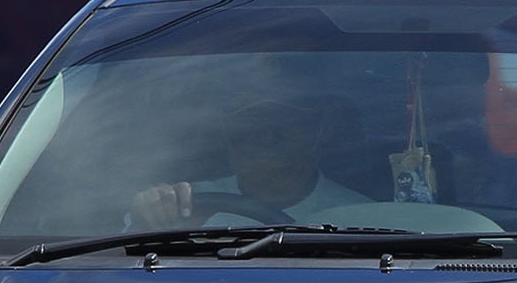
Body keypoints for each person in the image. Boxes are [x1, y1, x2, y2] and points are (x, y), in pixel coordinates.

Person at [132, 92, 377, 228]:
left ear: (319, 132)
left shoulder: (361, 219)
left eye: (284, 124)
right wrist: (151, 211)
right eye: (248, 126)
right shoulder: (183, 205)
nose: (265, 137)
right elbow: (122, 259)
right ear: (225, 139)